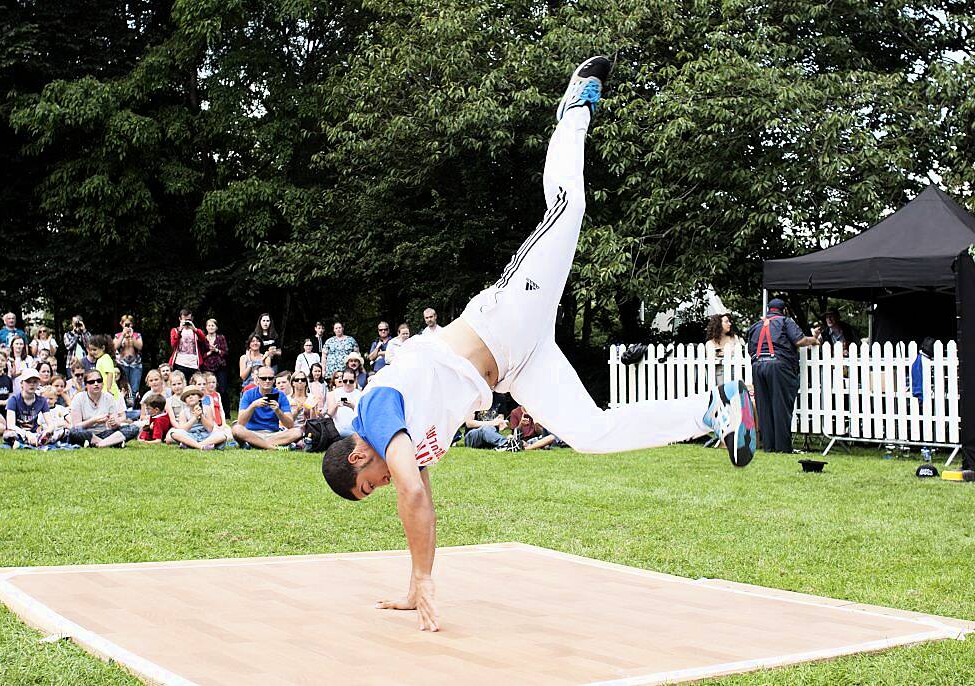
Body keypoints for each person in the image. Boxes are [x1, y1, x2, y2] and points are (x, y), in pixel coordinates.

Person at [320, 58, 754, 632]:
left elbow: (409, 495)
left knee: (567, 208)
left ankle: (572, 111)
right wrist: (411, 587)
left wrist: (425, 582)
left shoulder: (375, 411)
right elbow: (416, 503)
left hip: (505, 319)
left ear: (358, 455)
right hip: (518, 367)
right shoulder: (401, 446)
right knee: (590, 433)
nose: (381, 487)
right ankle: (713, 408)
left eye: (369, 483)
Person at [746, 299, 818, 454]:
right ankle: (783, 447)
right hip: (778, 366)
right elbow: (800, 340)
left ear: (768, 310)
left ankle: (768, 446)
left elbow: (750, 349)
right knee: (781, 406)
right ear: (784, 310)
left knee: (763, 406)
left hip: (758, 366)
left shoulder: (756, 325)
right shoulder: (785, 321)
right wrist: (814, 339)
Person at [231, 366, 302, 449]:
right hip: (252, 433)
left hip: (273, 434)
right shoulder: (248, 394)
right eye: (264, 378)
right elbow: (241, 422)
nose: (267, 381)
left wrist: (277, 410)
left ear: (274, 380)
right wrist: (253, 406)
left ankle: (256, 444)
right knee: (236, 429)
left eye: (270, 378)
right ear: (257, 380)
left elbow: (290, 425)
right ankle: (269, 446)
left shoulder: (281, 395)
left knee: (297, 432)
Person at [68, 369, 140, 448]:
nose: (96, 384)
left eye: (99, 381)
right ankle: (112, 443)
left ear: (102, 383)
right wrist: (93, 420)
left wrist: (114, 423)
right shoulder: (79, 398)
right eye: (92, 382)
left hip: (105, 433)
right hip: (86, 434)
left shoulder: (109, 397)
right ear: (86, 385)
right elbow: (77, 426)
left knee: (134, 428)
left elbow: (116, 424)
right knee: (75, 431)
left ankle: (100, 444)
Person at [166, 386, 228, 451]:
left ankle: (192, 445)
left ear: (199, 397)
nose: (190, 397)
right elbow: (184, 429)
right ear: (185, 401)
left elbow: (210, 428)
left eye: (193, 394)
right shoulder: (184, 412)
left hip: (206, 435)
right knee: (174, 433)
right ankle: (201, 446)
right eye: (187, 396)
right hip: (191, 435)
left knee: (222, 435)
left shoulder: (207, 408)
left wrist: (201, 415)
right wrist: (194, 417)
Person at [4, 368, 52, 448]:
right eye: (28, 381)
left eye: (35, 382)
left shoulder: (42, 400)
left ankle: (37, 441)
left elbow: (50, 424)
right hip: (18, 433)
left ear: (38, 384)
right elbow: (10, 425)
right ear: (21, 383)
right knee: (8, 434)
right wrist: (26, 434)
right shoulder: (13, 400)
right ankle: (28, 443)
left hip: (36, 433)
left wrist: (46, 432)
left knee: (61, 432)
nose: (32, 384)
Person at [169, 309, 207, 380]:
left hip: (194, 364)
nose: (186, 322)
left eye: (189, 320)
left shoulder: (196, 331)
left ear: (192, 319)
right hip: (180, 363)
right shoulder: (175, 330)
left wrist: (194, 329)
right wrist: (180, 331)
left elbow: (203, 340)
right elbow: (173, 344)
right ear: (180, 319)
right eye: (184, 320)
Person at [201, 318, 229, 414]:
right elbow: (201, 355)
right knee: (208, 389)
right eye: (209, 325)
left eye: (212, 325)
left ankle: (226, 412)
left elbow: (226, 352)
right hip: (207, 367)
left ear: (216, 327)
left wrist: (216, 351)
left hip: (220, 366)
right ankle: (210, 411)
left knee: (223, 389)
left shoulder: (221, 338)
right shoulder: (203, 339)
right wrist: (210, 352)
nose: (211, 327)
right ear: (206, 327)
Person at [114, 315, 144, 395]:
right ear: (121, 324)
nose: (127, 326)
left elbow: (140, 347)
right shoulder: (118, 335)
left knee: (134, 389)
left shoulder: (137, 335)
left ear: (132, 324)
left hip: (136, 365)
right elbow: (115, 347)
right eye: (125, 324)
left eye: (129, 324)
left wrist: (132, 336)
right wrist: (123, 335)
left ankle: (133, 406)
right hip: (122, 364)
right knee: (123, 387)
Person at [327, 369, 362, 437]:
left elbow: (361, 415)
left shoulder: (359, 394)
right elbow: (330, 414)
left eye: (351, 381)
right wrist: (336, 405)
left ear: (355, 380)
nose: (348, 383)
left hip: (354, 429)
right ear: (342, 380)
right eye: (345, 381)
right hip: (338, 429)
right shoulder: (334, 393)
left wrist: (352, 406)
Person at [88, 334, 121, 400]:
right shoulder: (100, 359)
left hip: (110, 393)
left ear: (103, 348)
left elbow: (110, 373)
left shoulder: (105, 358)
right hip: (104, 393)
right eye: (91, 350)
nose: (92, 352)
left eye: (94, 350)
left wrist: (108, 389)